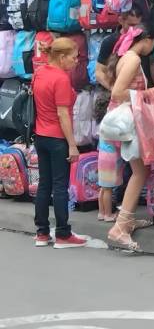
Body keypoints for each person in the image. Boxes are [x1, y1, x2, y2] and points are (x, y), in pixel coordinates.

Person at [100, 25, 154, 251]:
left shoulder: (126, 56)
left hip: (123, 120)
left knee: (139, 170)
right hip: (126, 121)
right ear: (146, 40)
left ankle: (127, 219)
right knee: (139, 172)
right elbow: (117, 92)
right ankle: (120, 227)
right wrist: (149, 93)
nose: (153, 49)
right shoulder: (134, 59)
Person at [32, 37, 88, 249]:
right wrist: (72, 144)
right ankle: (63, 234)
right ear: (62, 57)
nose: (76, 61)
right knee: (60, 186)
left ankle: (42, 232)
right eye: (74, 58)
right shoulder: (61, 79)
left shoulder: (39, 73)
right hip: (58, 138)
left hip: (41, 136)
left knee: (44, 185)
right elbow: (63, 114)